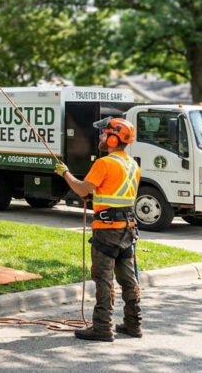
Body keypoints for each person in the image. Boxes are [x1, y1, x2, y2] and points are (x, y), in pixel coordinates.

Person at [54, 117, 142, 342]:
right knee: (128, 279)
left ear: (113, 138)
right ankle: (133, 324)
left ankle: (102, 327)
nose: (101, 137)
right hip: (127, 229)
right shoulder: (132, 164)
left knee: (103, 279)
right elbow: (115, 193)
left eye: (104, 133)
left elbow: (82, 190)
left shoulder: (104, 163)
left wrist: (65, 173)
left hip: (107, 230)